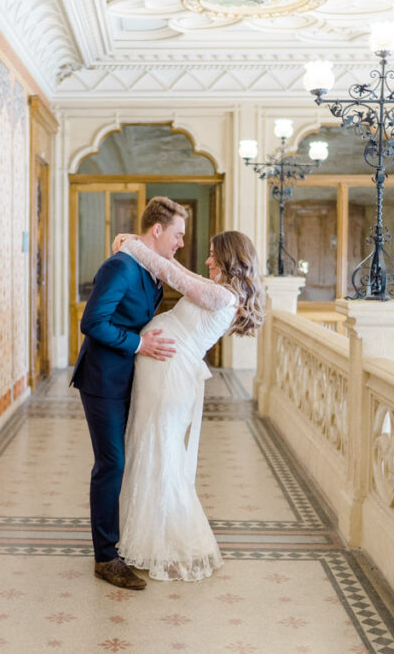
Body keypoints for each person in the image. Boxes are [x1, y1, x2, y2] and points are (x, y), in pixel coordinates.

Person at [113, 230, 265, 581]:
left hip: (169, 375)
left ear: (229, 258)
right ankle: (150, 539)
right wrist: (141, 241)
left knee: (162, 455)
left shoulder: (221, 297)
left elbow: (172, 275)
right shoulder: (220, 290)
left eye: (213, 255)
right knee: (150, 451)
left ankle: (174, 546)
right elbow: (178, 268)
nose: (208, 260)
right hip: (163, 370)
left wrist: (133, 247)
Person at [71, 196, 187, 590]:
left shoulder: (151, 268)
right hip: (102, 380)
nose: (181, 242)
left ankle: (123, 542)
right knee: (111, 464)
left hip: (130, 379)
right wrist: (139, 344)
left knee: (127, 460)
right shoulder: (120, 265)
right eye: (178, 234)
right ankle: (105, 558)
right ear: (157, 230)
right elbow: (93, 322)